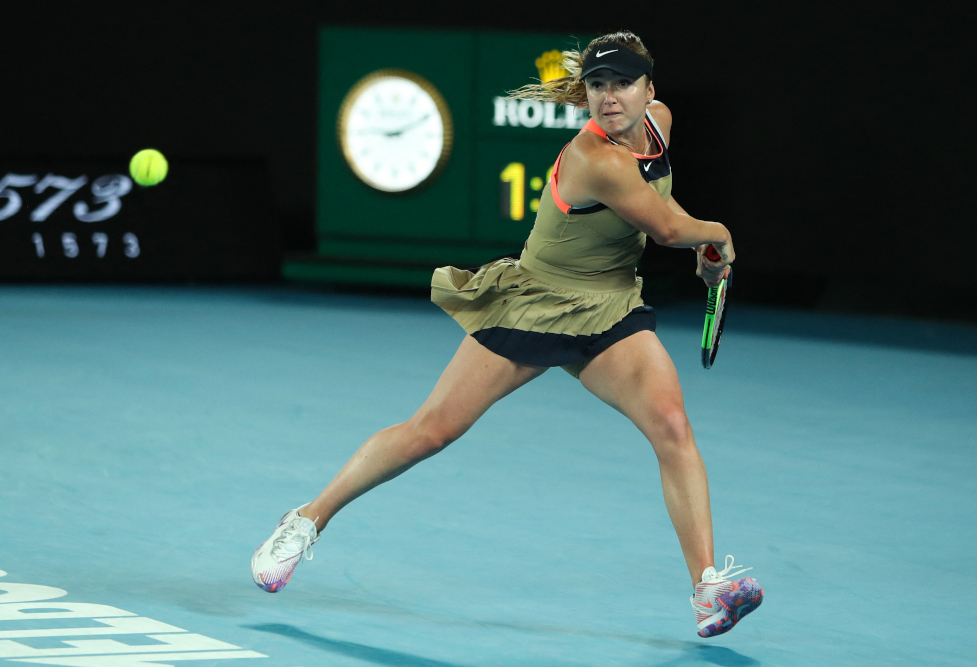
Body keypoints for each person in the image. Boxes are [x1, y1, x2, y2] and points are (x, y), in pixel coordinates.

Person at [251, 30, 762, 638]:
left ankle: (709, 588)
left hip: (612, 310)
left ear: (650, 89)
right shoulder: (592, 158)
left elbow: (668, 213)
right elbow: (667, 227)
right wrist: (718, 235)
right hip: (536, 304)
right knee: (430, 433)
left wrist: (703, 247)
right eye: (597, 85)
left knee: (672, 427)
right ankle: (306, 520)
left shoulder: (659, 123)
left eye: (622, 83)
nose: (610, 97)